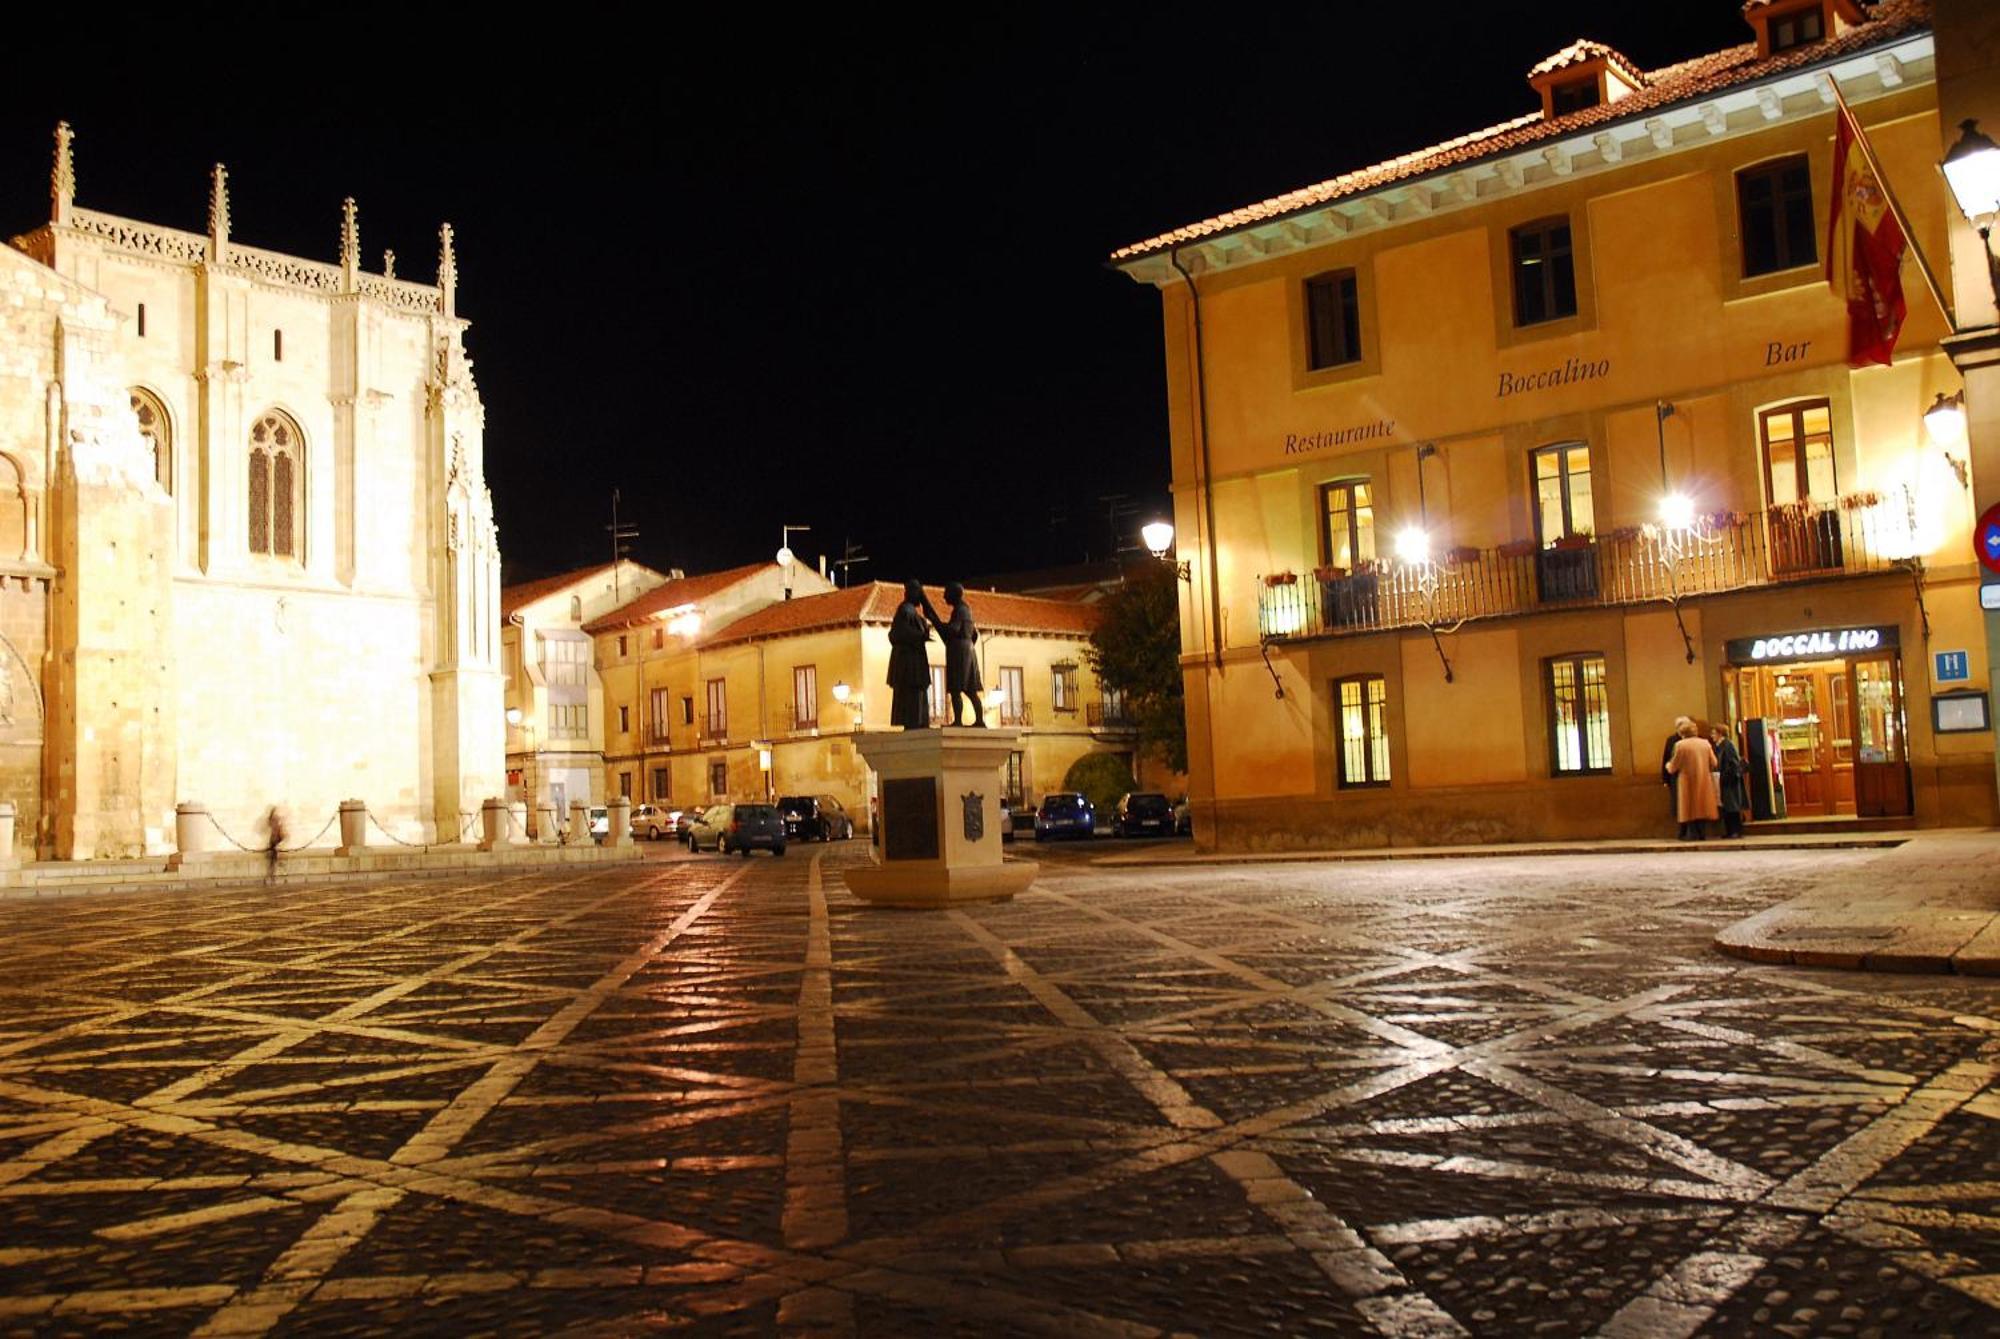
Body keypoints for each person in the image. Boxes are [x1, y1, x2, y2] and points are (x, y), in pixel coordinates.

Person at [923, 582, 984, 727]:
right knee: (970, 689)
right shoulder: (965, 610)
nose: (944, 597)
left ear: (953, 594)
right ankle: (979, 720)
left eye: (946, 593)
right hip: (967, 650)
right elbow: (974, 635)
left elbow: (953, 630)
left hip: (960, 653)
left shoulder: (960, 610)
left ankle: (958, 721)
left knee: (957, 689)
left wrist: (936, 621)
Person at [887, 580, 932, 730]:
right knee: (912, 692)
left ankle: (919, 721)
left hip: (913, 659)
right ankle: (915, 721)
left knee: (916, 691)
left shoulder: (910, 610)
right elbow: (898, 632)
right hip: (909, 660)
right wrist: (920, 635)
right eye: (918, 593)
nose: (920, 596)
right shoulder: (905, 610)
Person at [1665, 719, 1719, 840]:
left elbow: (1674, 766)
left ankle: (1692, 833)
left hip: (1686, 780)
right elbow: (1714, 762)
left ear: (1683, 733)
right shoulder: (1705, 743)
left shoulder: (1680, 745)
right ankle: (1702, 833)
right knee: (1701, 806)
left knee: (1689, 807)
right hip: (1703, 779)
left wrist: (1668, 766)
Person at [1710, 723, 1747, 838]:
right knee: (1727, 806)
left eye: (1713, 733)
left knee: (1732, 806)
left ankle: (1736, 830)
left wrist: (1727, 776)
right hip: (1723, 780)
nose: (1712, 735)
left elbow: (1733, 764)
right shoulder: (1719, 746)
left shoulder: (1728, 745)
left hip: (1729, 781)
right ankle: (1730, 831)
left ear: (1720, 734)